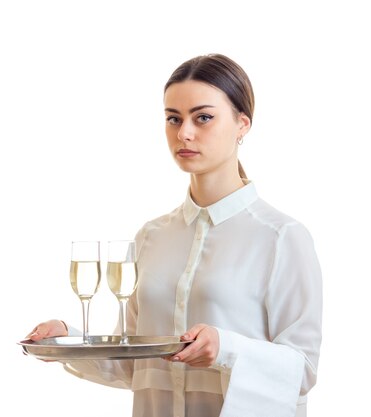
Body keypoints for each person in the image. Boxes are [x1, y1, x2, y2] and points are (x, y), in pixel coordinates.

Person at [26, 53, 323, 417]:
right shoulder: (151, 237)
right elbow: (131, 363)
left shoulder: (281, 237)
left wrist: (225, 348)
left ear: (242, 124)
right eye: (173, 118)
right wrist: (67, 338)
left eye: (203, 118)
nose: (184, 133)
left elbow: (303, 369)